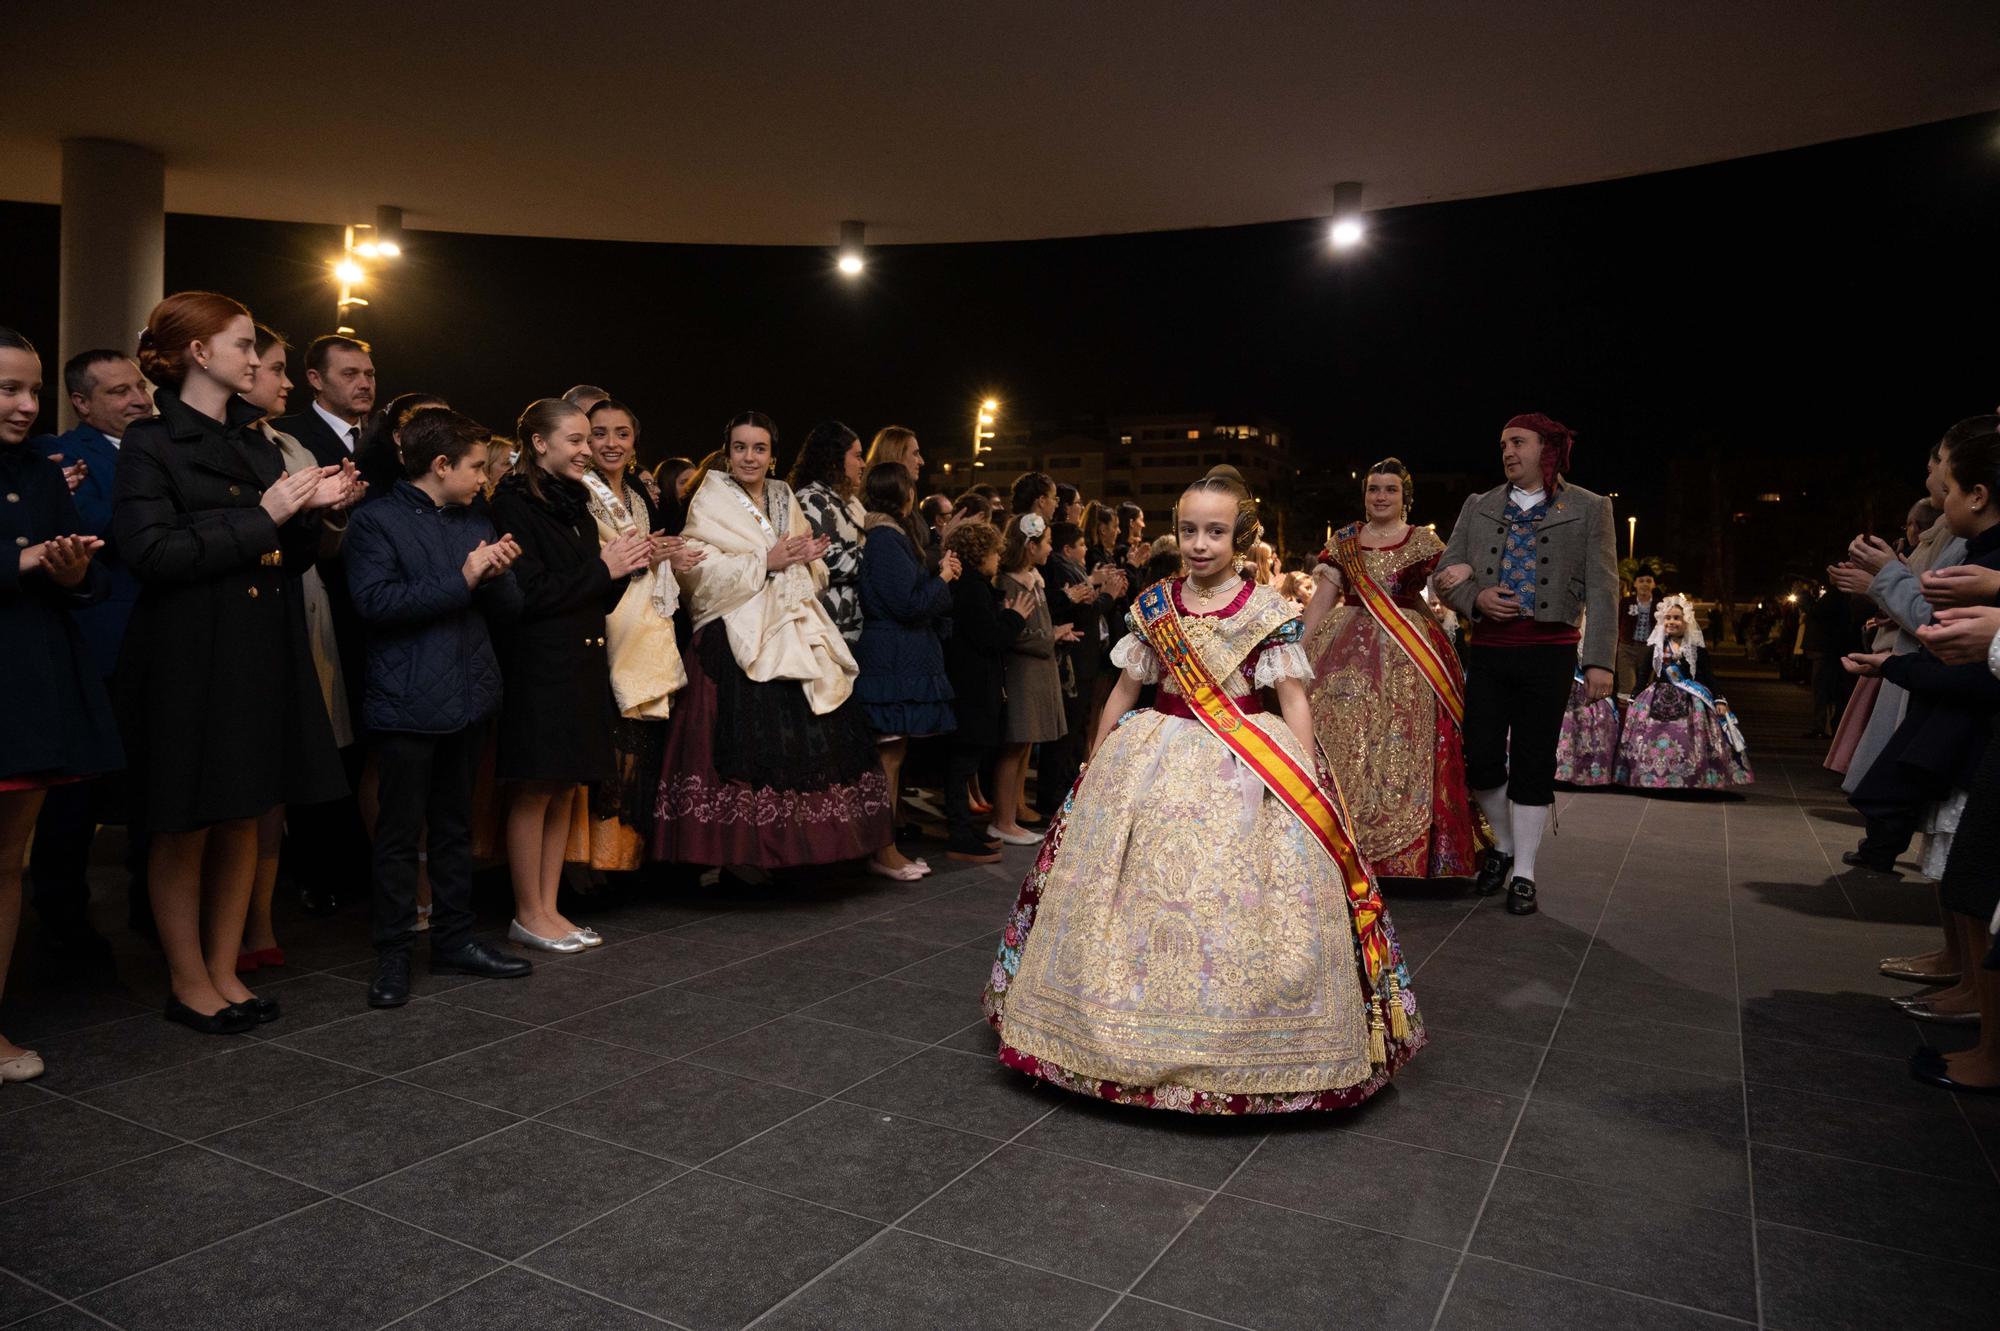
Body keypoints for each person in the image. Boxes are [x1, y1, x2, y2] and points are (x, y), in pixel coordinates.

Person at [984, 473, 1423, 1112]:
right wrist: (1098, 761)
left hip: (1248, 761)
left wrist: (1306, 777)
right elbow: (1126, 691)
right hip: (1152, 759)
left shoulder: (1270, 612)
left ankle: (1246, 1047)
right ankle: (1101, 1032)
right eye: (1189, 530)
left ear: (1240, 538)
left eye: (1215, 532)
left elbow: (1293, 701)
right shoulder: (1155, 605)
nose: (1198, 544)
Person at [115, 292, 359, 1033]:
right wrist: (269, 516)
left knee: (246, 817)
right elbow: (150, 554)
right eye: (244, 344)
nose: (256, 359)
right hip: (189, 652)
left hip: (260, 645)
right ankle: (188, 979)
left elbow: (288, 560)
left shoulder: (259, 444)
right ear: (198, 352)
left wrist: (320, 514)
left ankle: (225, 970)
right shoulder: (148, 443)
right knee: (184, 821)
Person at [345, 408, 534, 1006]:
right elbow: (375, 604)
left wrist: (499, 575)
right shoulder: (375, 520)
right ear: (442, 464)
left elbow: (505, 610)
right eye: (477, 466)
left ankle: (455, 943)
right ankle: (394, 956)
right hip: (405, 698)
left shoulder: (473, 519)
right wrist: (466, 576)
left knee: (456, 829)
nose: (485, 477)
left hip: (468, 694)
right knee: (400, 836)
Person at [653, 412, 892, 874]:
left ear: (772, 456)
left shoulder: (784, 496)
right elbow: (697, 572)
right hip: (734, 636)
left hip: (793, 627)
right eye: (740, 447)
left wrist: (804, 560)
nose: (749, 457)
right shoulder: (710, 497)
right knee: (742, 747)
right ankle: (739, 857)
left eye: (758, 448)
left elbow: (808, 563)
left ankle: (799, 853)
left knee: (805, 738)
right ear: (727, 453)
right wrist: (767, 559)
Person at [0, 327, 125, 1081]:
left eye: (30, 390)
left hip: (30, 685)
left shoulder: (45, 469)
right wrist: (19, 560)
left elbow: (84, 583)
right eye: (6, 389)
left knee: (6, 861)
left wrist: (73, 570)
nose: (22, 405)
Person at [1433, 412, 1617, 916]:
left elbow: (1604, 589)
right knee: (1482, 757)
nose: (1508, 452)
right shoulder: (1479, 505)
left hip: (1551, 651)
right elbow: (1442, 578)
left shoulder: (1590, 508)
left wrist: (1600, 661)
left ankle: (1525, 873)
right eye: (1503, 445)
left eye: (1518, 442)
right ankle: (1508, 845)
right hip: (1491, 650)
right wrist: (1477, 598)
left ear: (1547, 448)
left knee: (1535, 760)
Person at [489, 399, 648, 951]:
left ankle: (550, 908)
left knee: (563, 791)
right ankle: (528, 913)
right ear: (539, 443)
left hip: (580, 658)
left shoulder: (574, 501)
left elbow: (592, 591)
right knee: (534, 790)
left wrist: (626, 567)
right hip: (539, 664)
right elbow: (526, 594)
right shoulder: (511, 505)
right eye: (577, 440)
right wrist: (604, 567)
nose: (589, 451)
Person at [26, 349, 153, 958]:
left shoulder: (154, 446)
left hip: (157, 644)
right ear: (82, 403)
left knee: (152, 787)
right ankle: (62, 917)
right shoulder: (60, 455)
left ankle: (149, 907)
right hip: (99, 643)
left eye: (140, 387)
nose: (139, 399)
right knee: (75, 798)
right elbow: (96, 532)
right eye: (119, 392)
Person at [236, 325, 355, 972]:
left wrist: (328, 511)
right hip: (233, 618)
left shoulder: (283, 442)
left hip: (292, 607)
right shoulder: (191, 444)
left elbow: (311, 547)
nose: (283, 382)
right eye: (275, 369)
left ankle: (256, 923)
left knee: (278, 779)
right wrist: (280, 510)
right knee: (232, 788)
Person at [1302, 459, 1482, 880]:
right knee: (1340, 731)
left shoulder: (1422, 541)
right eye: (1373, 489)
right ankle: (1333, 839)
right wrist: (1296, 650)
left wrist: (1471, 570)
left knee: (1403, 735)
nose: (1380, 496)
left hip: (1407, 651)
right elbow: (1322, 602)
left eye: (1390, 489)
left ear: (1405, 497)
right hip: (1341, 648)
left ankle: (1406, 854)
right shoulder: (1344, 541)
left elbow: (1447, 587)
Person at [272, 334, 378, 916]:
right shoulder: (293, 439)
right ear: (315, 379)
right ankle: (320, 871)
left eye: (368, 372)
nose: (364, 383)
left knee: (362, 743)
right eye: (350, 373)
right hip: (316, 603)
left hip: (375, 614)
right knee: (321, 745)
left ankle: (357, 864)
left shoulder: (382, 440)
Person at [580, 397, 697, 871]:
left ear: (635, 441)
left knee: (638, 747)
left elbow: (645, 554)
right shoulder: (578, 488)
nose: (611, 443)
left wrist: (668, 555)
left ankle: (624, 860)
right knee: (604, 748)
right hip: (602, 620)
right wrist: (648, 557)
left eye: (621, 434)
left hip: (644, 625)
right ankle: (584, 864)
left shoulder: (637, 492)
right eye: (600, 433)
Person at [855, 462, 960, 879]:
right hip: (891, 658)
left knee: (893, 755)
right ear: (903, 494)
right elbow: (908, 604)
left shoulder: (887, 536)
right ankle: (883, 850)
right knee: (888, 758)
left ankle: (885, 846)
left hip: (897, 656)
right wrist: (944, 578)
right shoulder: (884, 538)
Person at [941, 522, 1029, 862]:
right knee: (962, 762)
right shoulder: (972, 590)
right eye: (994, 552)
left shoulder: (973, 587)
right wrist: (1015, 618)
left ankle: (963, 829)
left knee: (966, 761)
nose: (998, 558)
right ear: (980, 555)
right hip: (971, 688)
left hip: (971, 685)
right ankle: (959, 833)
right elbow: (989, 638)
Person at [988, 514, 1072, 845]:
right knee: (1015, 744)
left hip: (1038, 671)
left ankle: (1015, 810)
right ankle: (1002, 818)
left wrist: (1053, 633)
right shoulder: (1009, 583)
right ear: (1031, 544)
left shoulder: (1032, 579)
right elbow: (1018, 634)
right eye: (1047, 542)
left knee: (1025, 745)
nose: (1051, 549)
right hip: (1022, 672)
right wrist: (1049, 635)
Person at [1613, 596, 1752, 789]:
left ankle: (1689, 778)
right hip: (1657, 698)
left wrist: (1719, 698)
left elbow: (1707, 674)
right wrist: (1634, 699)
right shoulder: (1656, 645)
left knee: (1687, 739)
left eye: (1677, 618)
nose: (1671, 622)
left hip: (1690, 700)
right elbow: (1644, 674)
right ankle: (1652, 776)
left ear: (1686, 622)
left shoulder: (1695, 648)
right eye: (1668, 618)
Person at [789, 421, 868, 643]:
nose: (863, 463)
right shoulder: (812, 499)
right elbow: (831, 562)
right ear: (835, 459)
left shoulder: (848, 501)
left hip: (853, 624)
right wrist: (880, 558)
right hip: (833, 626)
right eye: (858, 456)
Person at [1615, 571, 1658, 696]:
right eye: (1641, 581)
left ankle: (1640, 715)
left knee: (1646, 689)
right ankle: (1625, 715)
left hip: (1649, 650)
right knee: (1627, 687)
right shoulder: (1625, 602)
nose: (1645, 584)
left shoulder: (1659, 604)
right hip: (1627, 649)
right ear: (1635, 584)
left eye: (1649, 581)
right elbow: (1617, 624)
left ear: (1654, 584)